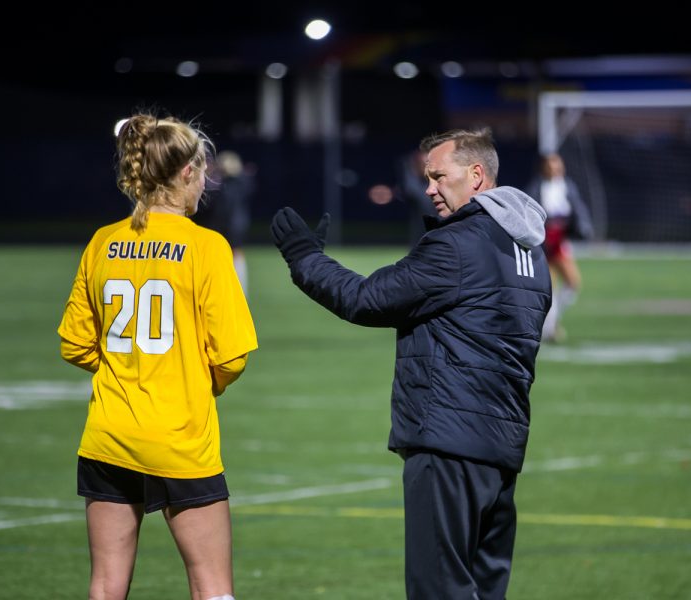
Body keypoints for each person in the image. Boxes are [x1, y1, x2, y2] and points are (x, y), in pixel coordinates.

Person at [270, 128, 551, 599]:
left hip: (449, 443)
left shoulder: (458, 244)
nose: (429, 188)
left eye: (439, 176)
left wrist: (304, 257)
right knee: (484, 589)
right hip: (502, 445)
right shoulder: (530, 252)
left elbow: (365, 299)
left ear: (477, 175)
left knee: (438, 589)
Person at [57, 113, 257, 600]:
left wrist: (129, 370)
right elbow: (232, 358)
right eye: (202, 171)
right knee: (212, 588)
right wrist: (188, 377)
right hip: (180, 436)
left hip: (110, 434)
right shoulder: (208, 247)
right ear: (187, 172)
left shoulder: (103, 241)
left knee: (105, 586)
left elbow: (75, 344)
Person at [525, 152, 594, 342]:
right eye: (551, 165)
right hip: (543, 242)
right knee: (548, 288)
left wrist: (583, 228)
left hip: (560, 240)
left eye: (557, 165)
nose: (555, 169)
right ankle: (548, 329)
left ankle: (553, 320)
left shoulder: (567, 186)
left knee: (572, 283)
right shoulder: (536, 187)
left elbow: (577, 209)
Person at [194, 150, 255, 295]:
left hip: (226, 226)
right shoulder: (241, 183)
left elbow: (213, 208)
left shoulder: (223, 187)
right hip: (238, 225)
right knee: (236, 256)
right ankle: (239, 292)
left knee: (230, 257)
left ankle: (234, 291)